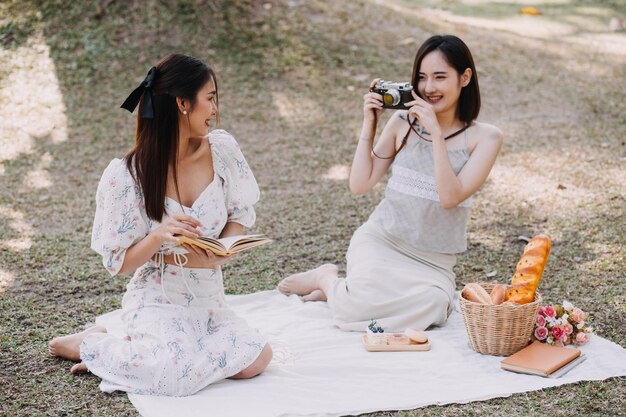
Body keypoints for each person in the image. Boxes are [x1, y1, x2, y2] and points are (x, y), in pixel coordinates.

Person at [48, 54, 272, 396]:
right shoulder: (128, 174)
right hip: (157, 296)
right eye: (210, 98)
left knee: (255, 359)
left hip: (208, 296)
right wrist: (159, 236)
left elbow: (239, 213)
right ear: (183, 103)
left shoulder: (222, 150)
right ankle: (93, 344)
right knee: (174, 374)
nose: (215, 109)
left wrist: (224, 247)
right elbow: (118, 264)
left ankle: (141, 351)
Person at [278, 35, 503, 332]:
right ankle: (328, 279)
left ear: (464, 77)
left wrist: (436, 134)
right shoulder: (402, 123)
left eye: (440, 77)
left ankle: (338, 292)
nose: (429, 88)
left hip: (432, 261)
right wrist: (369, 123)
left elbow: (450, 197)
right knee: (349, 313)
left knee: (434, 306)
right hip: (382, 240)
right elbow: (360, 185)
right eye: (422, 78)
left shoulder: (485, 138)